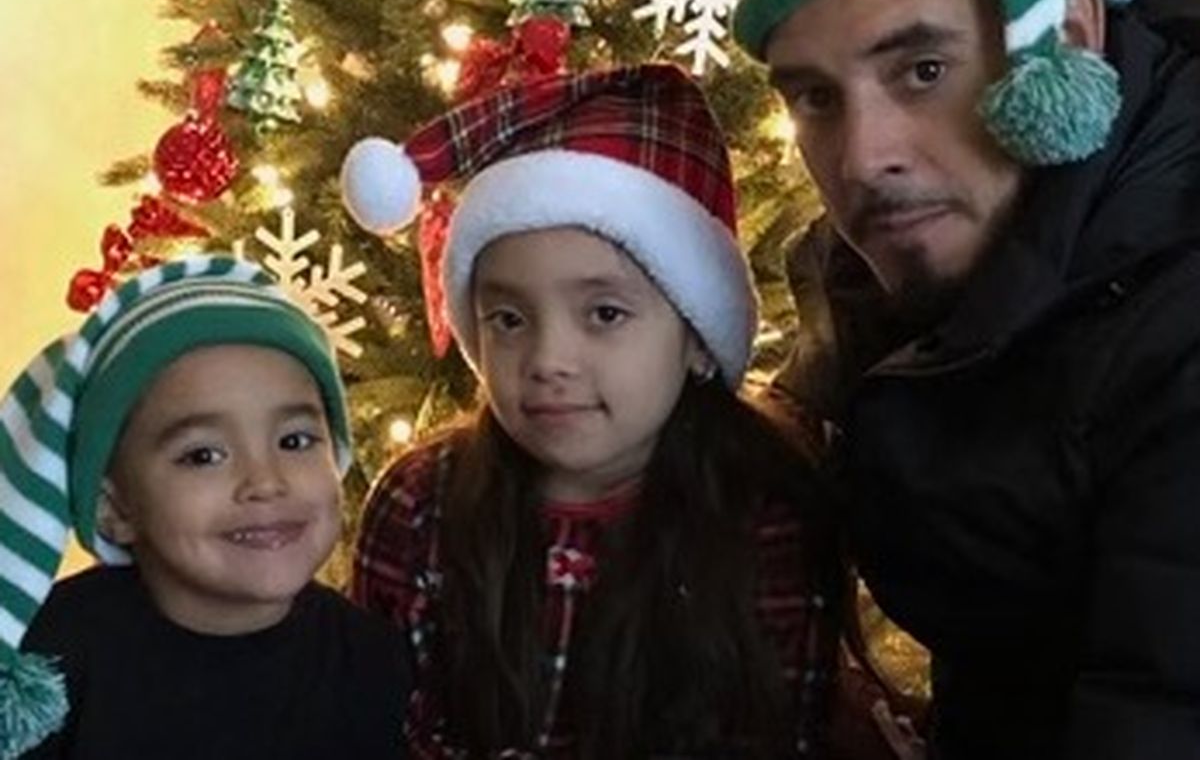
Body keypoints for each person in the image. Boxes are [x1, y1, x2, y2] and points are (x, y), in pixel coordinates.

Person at [731, 0, 1200, 759]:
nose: (863, 158)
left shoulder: (1175, 321)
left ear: (1066, 37)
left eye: (923, 70)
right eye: (816, 97)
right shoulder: (893, 269)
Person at [339, 64, 848, 758]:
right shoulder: (417, 507)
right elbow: (373, 725)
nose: (549, 359)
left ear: (697, 338)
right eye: (509, 319)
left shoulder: (767, 518)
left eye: (605, 313)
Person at [0, 256, 412, 759]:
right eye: (203, 456)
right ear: (114, 507)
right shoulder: (47, 663)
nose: (265, 482)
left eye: (295, 440)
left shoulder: (370, 659)